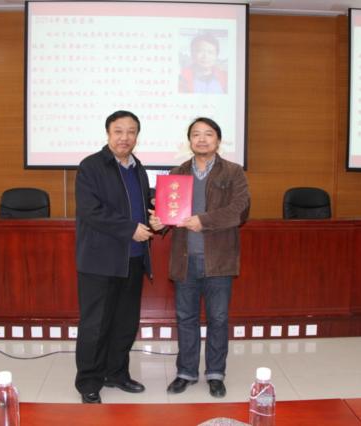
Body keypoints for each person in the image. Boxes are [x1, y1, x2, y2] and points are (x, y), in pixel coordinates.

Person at [149, 117, 250, 398]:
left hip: (219, 260)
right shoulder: (177, 172)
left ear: (218, 140)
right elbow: (170, 214)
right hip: (186, 260)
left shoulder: (233, 172)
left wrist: (203, 221)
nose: (202, 139)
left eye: (208, 134)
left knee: (218, 318)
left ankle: (215, 374)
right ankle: (186, 372)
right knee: (186, 318)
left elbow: (240, 210)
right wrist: (160, 222)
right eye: (196, 134)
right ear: (189, 140)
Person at [74, 110, 153, 404]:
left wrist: (155, 217)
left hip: (133, 259)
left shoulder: (138, 168)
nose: (125, 137)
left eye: (131, 131)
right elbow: (90, 211)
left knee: (125, 323)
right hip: (100, 261)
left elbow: (139, 206)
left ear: (137, 136)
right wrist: (130, 229)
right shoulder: (91, 166)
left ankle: (117, 373)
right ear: (108, 134)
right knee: (95, 325)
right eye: (119, 131)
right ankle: (89, 382)